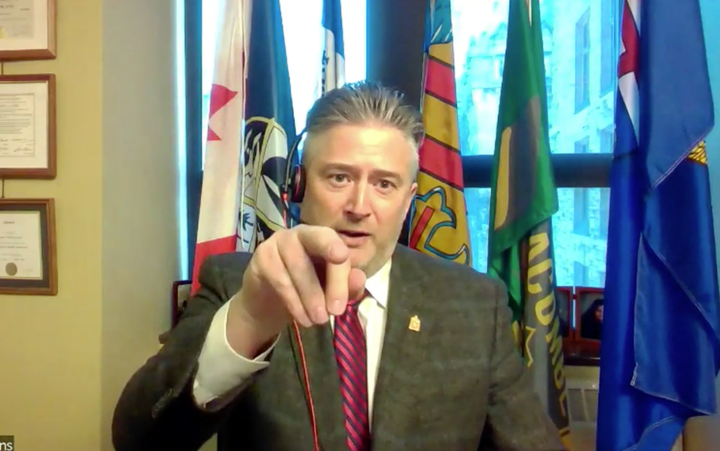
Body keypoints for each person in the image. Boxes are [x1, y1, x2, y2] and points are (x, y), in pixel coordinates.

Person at [112, 81, 566, 451]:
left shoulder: (472, 303)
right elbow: (139, 439)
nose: (359, 206)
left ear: (409, 201)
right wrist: (250, 320)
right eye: (339, 177)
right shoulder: (237, 282)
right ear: (299, 184)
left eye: (384, 184)